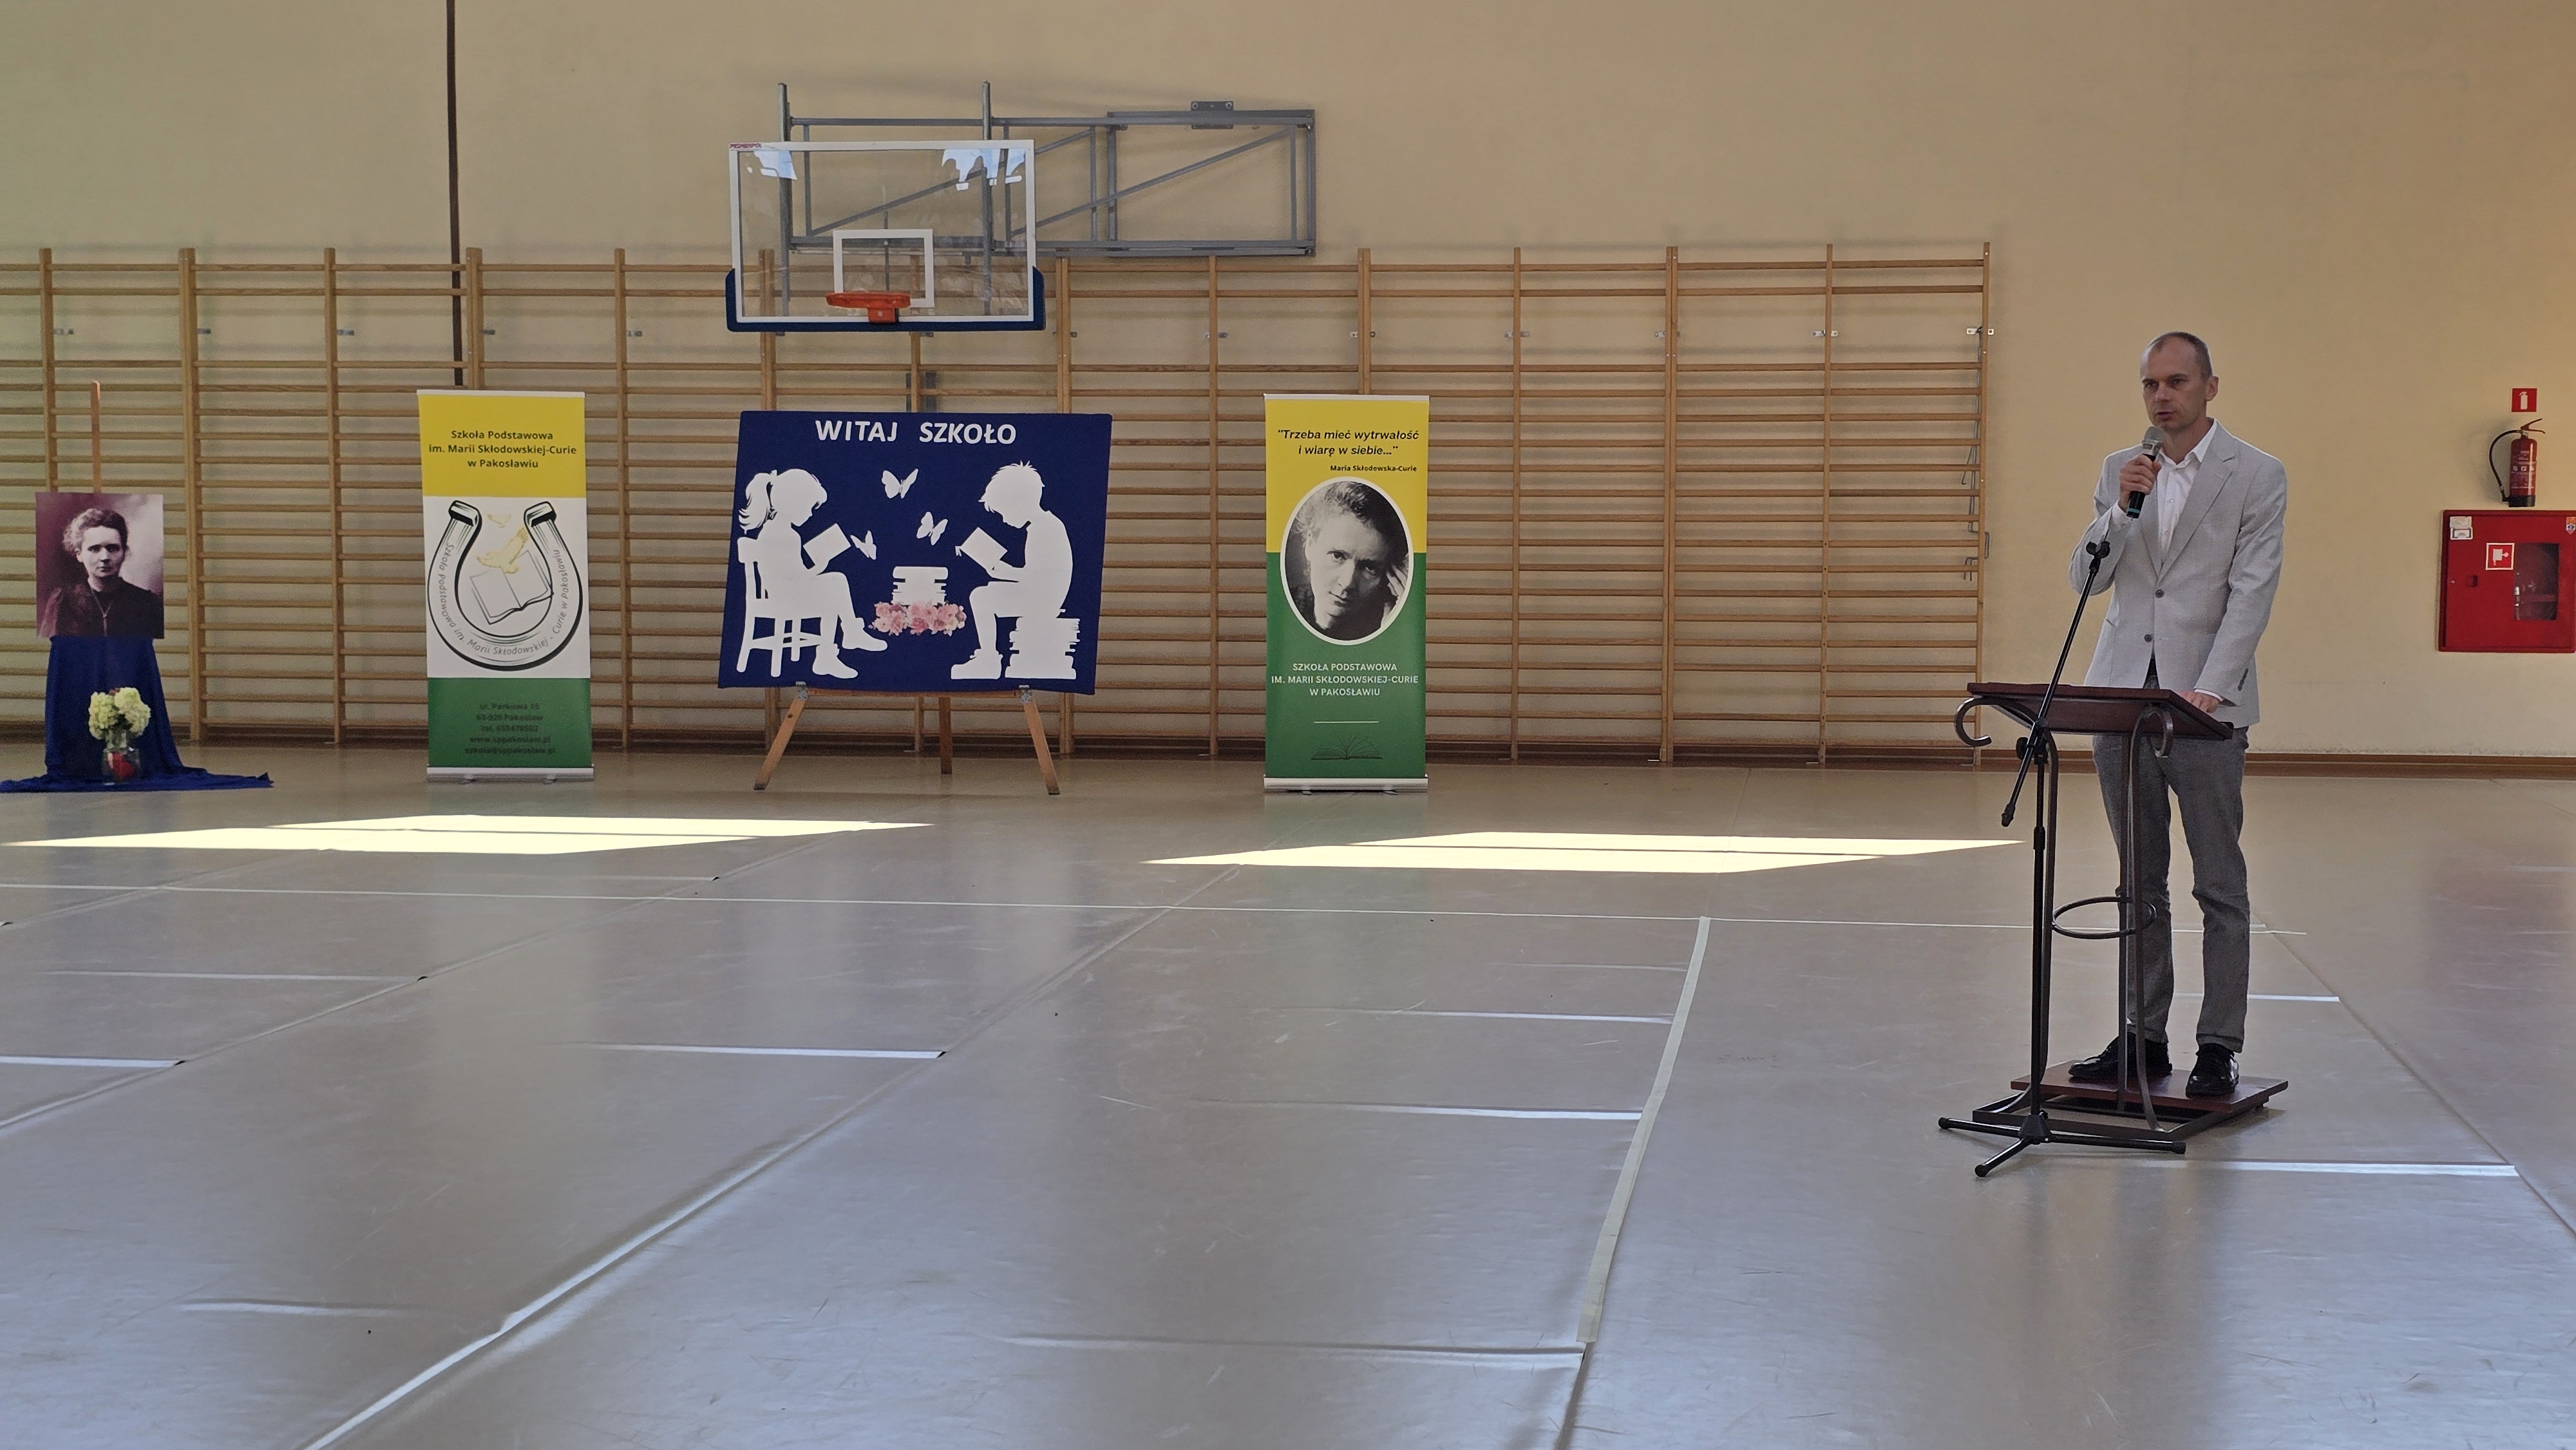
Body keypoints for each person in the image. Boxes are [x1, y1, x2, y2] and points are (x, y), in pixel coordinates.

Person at [2065, 332, 2287, 1098]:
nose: (2162, 396)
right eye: (2150, 384)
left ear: (2209, 386)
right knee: (2138, 880)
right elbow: (2085, 579)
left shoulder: (2256, 473)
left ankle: (2219, 1042)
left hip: (2203, 708)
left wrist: (2211, 689)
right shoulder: (2121, 468)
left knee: (2218, 883)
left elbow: (2251, 590)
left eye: (2176, 382)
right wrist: (2119, 510)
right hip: (2121, 697)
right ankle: (2142, 1034)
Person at [735, 468, 884, 677]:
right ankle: (844, 638)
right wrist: (820, 567)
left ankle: (834, 649)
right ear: (794, 503)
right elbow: (796, 577)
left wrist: (820, 567)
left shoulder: (776, 531)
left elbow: (796, 575)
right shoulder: (785, 535)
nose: (811, 514)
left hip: (784, 591)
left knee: (833, 591)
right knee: (837, 582)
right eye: (809, 507)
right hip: (784, 595)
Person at [952, 463, 1072, 679]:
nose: (1004, 520)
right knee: (986, 593)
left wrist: (1006, 572)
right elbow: (1038, 575)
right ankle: (988, 658)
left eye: (1004, 512)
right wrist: (1003, 573)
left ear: (1020, 502)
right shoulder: (1044, 525)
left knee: (981, 598)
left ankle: (989, 659)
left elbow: (1040, 578)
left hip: (1045, 598)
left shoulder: (1044, 529)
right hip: (1044, 594)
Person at [1287, 479, 1408, 641]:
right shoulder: (1280, 610)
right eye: (1338, 556)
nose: (1347, 583)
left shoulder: (1386, 626)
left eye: (1369, 568)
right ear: (1310, 545)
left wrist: (1392, 631)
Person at [41, 505, 163, 639]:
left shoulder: (147, 604)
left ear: (124, 553)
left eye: (113, 549)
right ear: (79, 554)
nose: (105, 557)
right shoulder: (63, 603)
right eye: (95, 549)